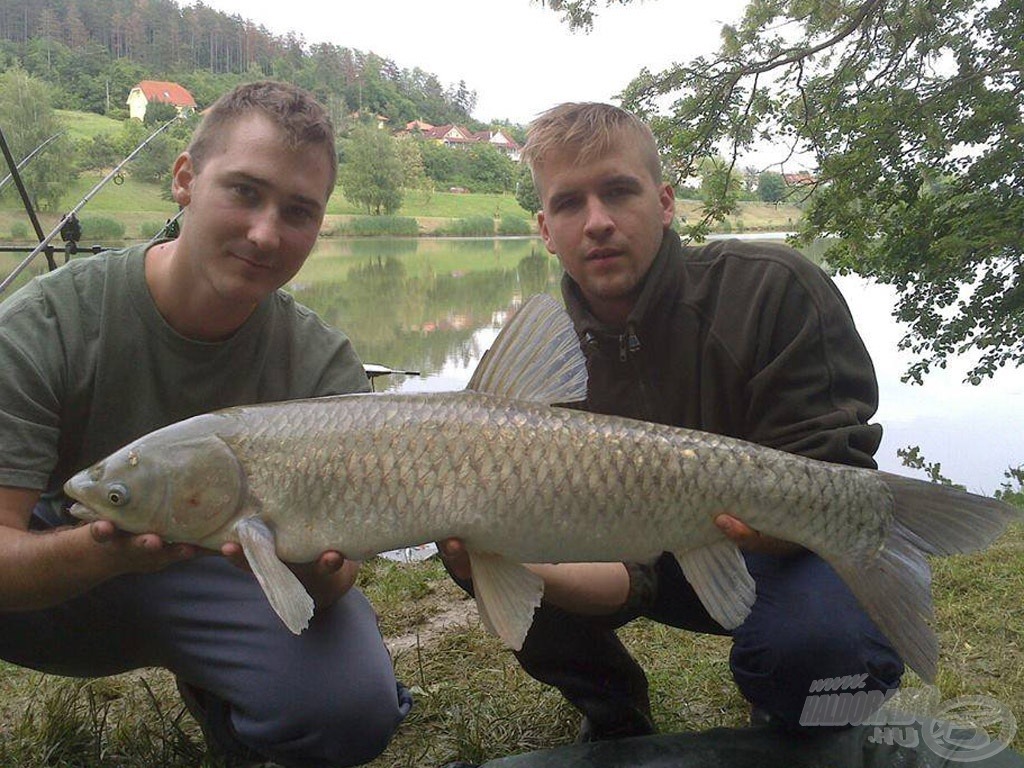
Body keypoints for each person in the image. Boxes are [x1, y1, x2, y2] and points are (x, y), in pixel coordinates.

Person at [442, 102, 903, 743]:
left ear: (664, 202)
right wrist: (519, 569)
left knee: (823, 651)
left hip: (785, 547)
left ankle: (789, 705)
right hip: (633, 551)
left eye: (619, 191)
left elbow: (832, 473)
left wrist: (752, 523)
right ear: (545, 230)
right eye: (570, 204)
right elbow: (634, 573)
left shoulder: (773, 289)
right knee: (476, 532)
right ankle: (612, 706)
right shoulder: (540, 363)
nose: (598, 222)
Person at [0, 81, 411, 767]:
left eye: (299, 211)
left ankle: (229, 693)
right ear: (186, 179)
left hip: (236, 576)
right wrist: (107, 548)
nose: (265, 233)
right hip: (61, 567)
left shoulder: (322, 364)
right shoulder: (46, 324)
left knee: (352, 709)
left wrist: (322, 569)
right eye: (245, 192)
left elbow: (335, 584)